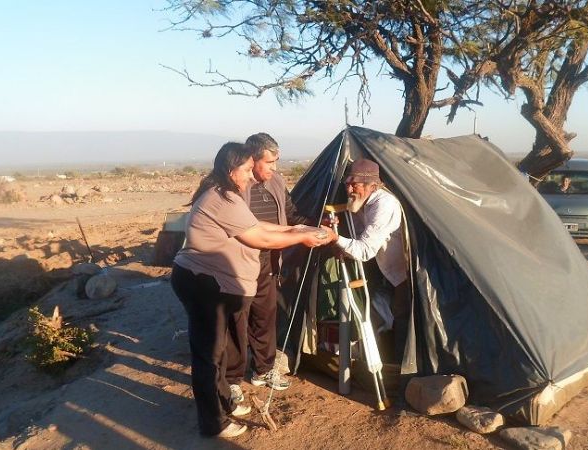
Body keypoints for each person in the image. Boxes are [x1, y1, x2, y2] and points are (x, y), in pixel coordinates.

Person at [170, 142, 332, 438]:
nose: (249, 176)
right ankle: (213, 422)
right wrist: (301, 239)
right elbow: (260, 238)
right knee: (208, 355)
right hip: (202, 283)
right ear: (232, 170)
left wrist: (298, 230)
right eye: (246, 169)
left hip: (209, 282)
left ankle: (223, 404)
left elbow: (258, 225)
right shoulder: (221, 199)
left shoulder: (227, 195)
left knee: (216, 350)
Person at [225, 133, 313, 403]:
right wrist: (299, 235)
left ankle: (263, 369)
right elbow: (254, 233)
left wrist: (313, 226)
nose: (275, 168)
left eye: (277, 161)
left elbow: (291, 214)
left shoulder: (276, 182)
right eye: (270, 162)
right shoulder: (236, 186)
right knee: (236, 320)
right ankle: (230, 380)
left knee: (265, 315)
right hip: (237, 262)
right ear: (253, 160)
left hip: (267, 261)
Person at [327, 159, 410, 366]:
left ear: (372, 186)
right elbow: (358, 238)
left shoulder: (384, 205)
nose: (349, 189)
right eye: (348, 184)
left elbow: (364, 250)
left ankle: (400, 369)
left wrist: (335, 239)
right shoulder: (361, 203)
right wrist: (343, 245)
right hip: (385, 271)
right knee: (383, 311)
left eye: (355, 185)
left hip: (402, 274)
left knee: (402, 316)